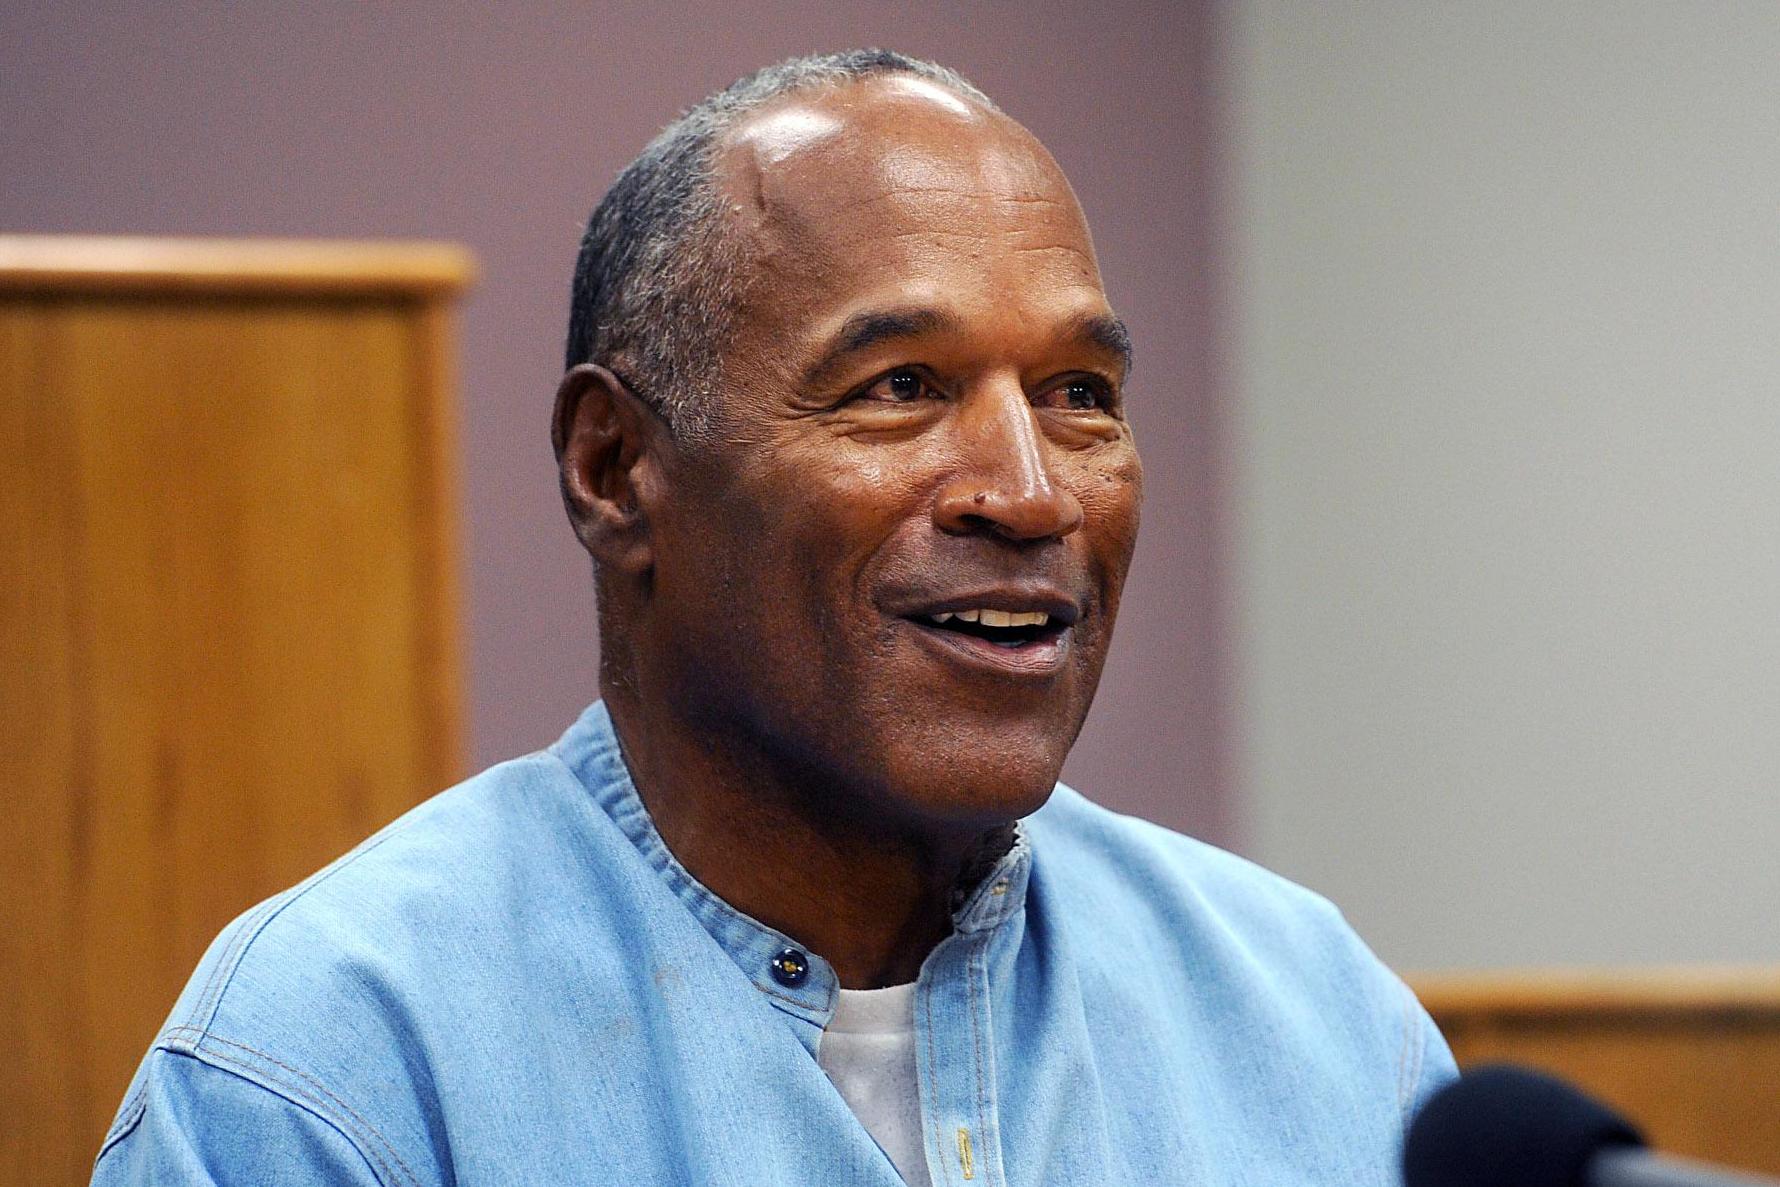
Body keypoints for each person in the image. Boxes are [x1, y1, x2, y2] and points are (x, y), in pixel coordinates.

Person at [93, 50, 1454, 1186]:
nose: (1031, 492)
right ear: (616, 470)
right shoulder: (336, 1072)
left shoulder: (1317, 1028)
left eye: (1081, 394)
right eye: (901, 384)